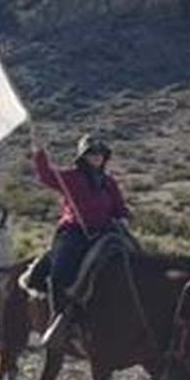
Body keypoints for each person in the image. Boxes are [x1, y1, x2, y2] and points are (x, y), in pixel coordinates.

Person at [31, 133, 130, 350]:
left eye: (100, 153)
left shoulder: (109, 182)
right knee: (60, 272)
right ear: (83, 156)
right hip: (74, 231)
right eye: (92, 153)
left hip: (106, 231)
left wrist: (123, 219)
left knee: (137, 259)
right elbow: (46, 176)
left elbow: (119, 207)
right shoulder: (70, 177)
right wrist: (39, 154)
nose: (97, 157)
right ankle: (60, 319)